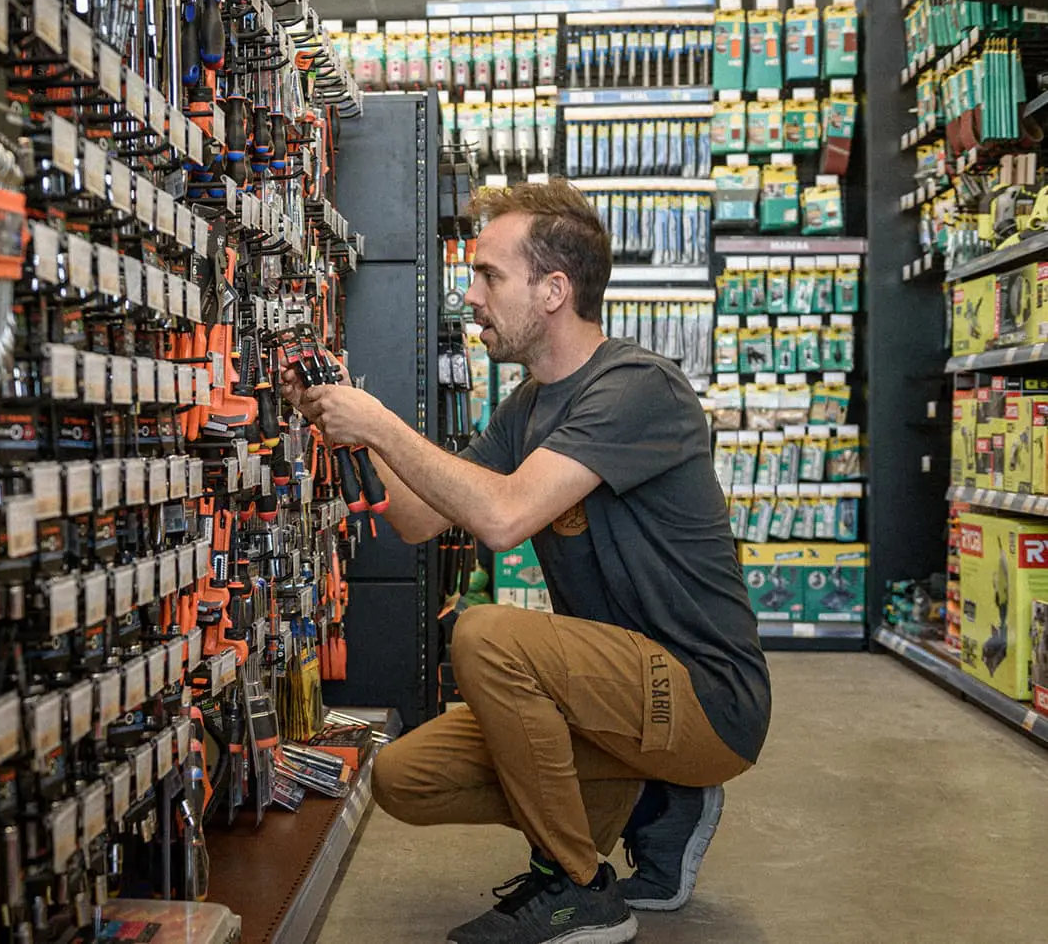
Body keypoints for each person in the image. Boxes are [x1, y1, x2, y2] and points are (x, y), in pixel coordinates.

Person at [280, 179, 771, 944]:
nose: (470, 294)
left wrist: (380, 418)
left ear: (553, 290)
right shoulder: (528, 406)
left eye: (488, 275)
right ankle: (651, 796)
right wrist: (357, 431)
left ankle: (578, 888)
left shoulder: (637, 387)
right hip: (612, 690)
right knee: (403, 777)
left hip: (706, 694)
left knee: (484, 634)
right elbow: (416, 521)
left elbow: (502, 518)